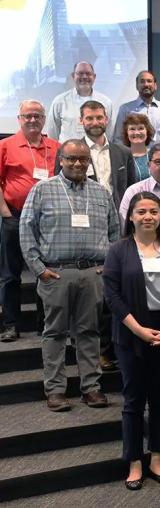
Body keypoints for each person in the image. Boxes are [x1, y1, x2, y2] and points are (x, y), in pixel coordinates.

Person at [20, 139, 120, 411]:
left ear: (89, 162)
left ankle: (91, 388)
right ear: (60, 160)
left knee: (89, 332)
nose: (77, 163)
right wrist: (39, 270)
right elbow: (26, 231)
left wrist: (107, 267)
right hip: (56, 274)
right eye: (71, 158)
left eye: (83, 159)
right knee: (54, 333)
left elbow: (115, 232)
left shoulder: (101, 193)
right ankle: (55, 391)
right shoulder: (42, 190)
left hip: (92, 274)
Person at [102, 192, 160, 490]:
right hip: (131, 332)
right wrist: (137, 329)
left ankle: (157, 458)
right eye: (142, 211)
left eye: (154, 211)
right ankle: (135, 462)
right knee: (133, 401)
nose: (148, 216)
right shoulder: (118, 250)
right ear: (131, 216)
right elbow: (112, 295)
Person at [0, 100, 59, 342]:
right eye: (27, 116)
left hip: (46, 221)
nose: (32, 119)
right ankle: (10, 325)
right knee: (10, 275)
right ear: (19, 119)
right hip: (14, 216)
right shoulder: (5, 145)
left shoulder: (56, 147)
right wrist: (5, 213)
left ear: (44, 118)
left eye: (37, 115)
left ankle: (44, 324)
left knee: (44, 273)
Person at [54, 100, 136, 210]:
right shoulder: (68, 152)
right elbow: (59, 185)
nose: (95, 122)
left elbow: (131, 188)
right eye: (89, 118)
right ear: (81, 120)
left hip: (117, 213)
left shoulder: (124, 152)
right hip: (83, 212)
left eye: (99, 118)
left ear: (106, 119)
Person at [46, 62, 114, 143]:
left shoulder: (106, 102)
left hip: (97, 152)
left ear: (94, 77)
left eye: (88, 73)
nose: (84, 77)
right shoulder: (59, 102)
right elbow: (52, 135)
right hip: (68, 154)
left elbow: (110, 133)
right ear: (73, 76)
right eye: (80, 73)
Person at [113, 70, 160, 146]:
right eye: (142, 81)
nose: (146, 84)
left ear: (155, 86)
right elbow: (119, 139)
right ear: (137, 86)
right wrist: (127, 156)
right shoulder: (125, 109)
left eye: (149, 81)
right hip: (134, 156)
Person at [120, 114, 154, 182]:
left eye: (141, 128)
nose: (137, 133)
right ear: (126, 133)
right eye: (132, 129)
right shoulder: (122, 159)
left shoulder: (155, 155)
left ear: (147, 131)